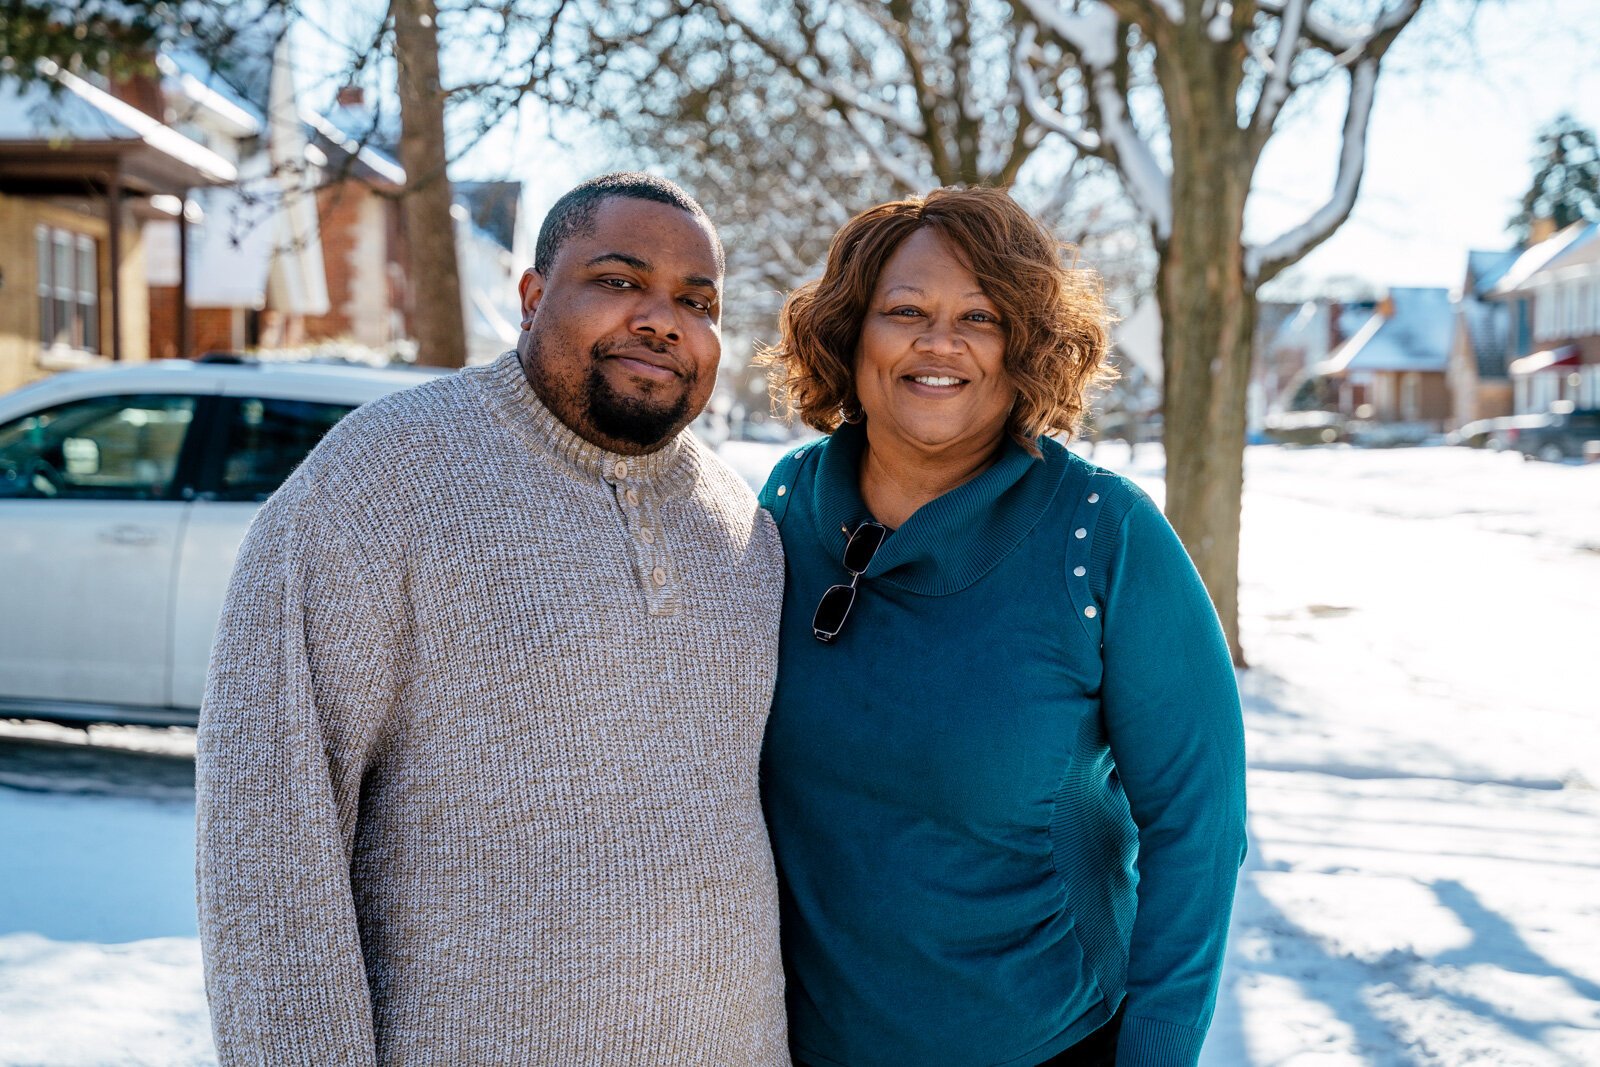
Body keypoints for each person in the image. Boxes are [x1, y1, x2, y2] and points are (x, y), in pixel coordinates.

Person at [195, 173, 791, 1065]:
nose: (662, 320)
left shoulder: (745, 531)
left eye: (695, 300)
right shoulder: (379, 477)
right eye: (620, 281)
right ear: (532, 295)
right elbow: (267, 834)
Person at [755, 186, 1247, 1067]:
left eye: (980, 316)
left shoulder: (1105, 535)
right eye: (905, 309)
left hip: (1047, 1045)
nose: (939, 342)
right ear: (849, 332)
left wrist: (1158, 1050)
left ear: (1027, 348)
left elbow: (1198, 825)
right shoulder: (785, 507)